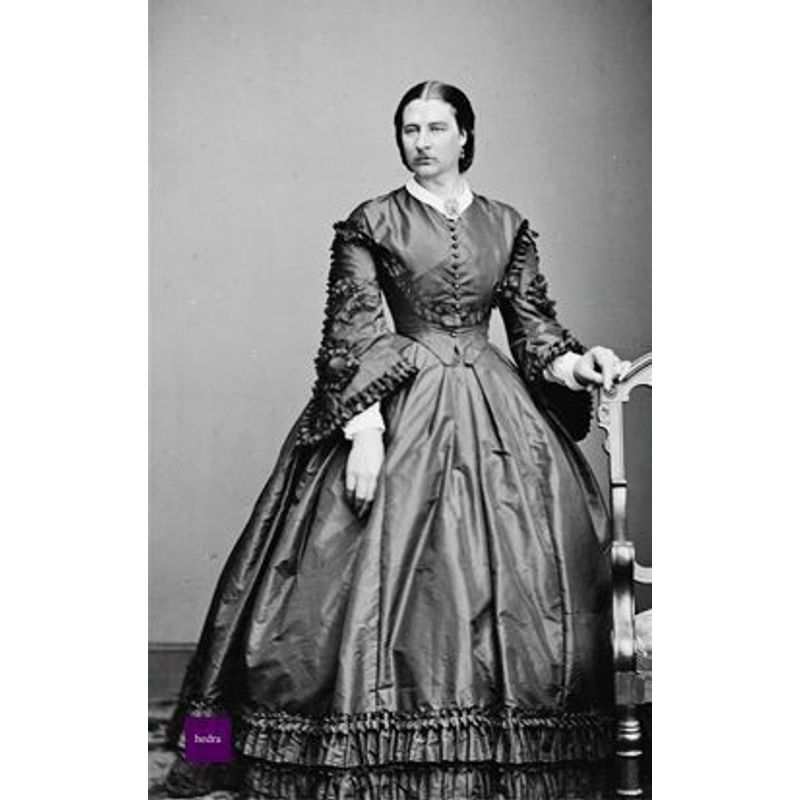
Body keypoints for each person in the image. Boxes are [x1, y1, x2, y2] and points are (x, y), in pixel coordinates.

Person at [163, 80, 631, 800]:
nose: (421, 141)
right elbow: (351, 332)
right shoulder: (373, 221)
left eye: (436, 127)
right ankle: (218, 749)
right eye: (410, 129)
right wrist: (365, 431)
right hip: (397, 404)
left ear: (465, 136)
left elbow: (535, 334)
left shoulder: (506, 224)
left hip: (496, 411)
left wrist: (580, 363)